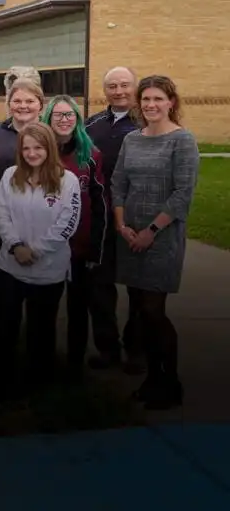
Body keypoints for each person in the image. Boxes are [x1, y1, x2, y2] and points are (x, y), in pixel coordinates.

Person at [112, 75, 199, 410]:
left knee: (153, 310)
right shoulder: (132, 140)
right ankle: (152, 379)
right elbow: (118, 183)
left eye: (158, 99)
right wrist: (122, 225)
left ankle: (170, 382)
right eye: (145, 99)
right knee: (139, 309)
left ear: (171, 102)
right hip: (130, 236)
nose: (151, 105)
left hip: (160, 238)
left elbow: (182, 195)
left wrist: (150, 231)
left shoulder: (183, 141)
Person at [0, 122, 81, 415]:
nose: (31, 153)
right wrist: (16, 246)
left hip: (48, 270)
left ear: (49, 148)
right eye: (26, 148)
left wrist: (36, 250)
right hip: (10, 267)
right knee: (3, 331)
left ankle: (37, 395)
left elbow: (67, 223)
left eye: (38, 147)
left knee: (41, 334)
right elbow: (0, 214)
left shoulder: (68, 181)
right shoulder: (10, 176)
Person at [43, 95, 107, 378]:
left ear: (78, 120)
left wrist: (96, 248)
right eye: (58, 115)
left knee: (78, 308)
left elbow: (100, 202)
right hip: (46, 245)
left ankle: (74, 364)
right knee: (46, 306)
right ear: (48, 119)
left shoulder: (90, 155)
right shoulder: (40, 152)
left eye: (70, 115)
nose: (64, 120)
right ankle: (43, 360)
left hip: (79, 247)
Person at [85, 66, 143, 372]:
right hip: (101, 217)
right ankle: (108, 349)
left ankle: (137, 350)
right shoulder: (92, 124)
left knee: (138, 287)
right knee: (100, 285)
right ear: (104, 90)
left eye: (124, 85)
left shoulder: (147, 123)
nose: (118, 91)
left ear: (134, 86)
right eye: (112, 86)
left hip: (136, 218)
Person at [0, 74, 45, 179]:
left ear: (40, 105)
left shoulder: (51, 133)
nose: (23, 106)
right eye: (17, 101)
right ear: (9, 104)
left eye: (30, 101)